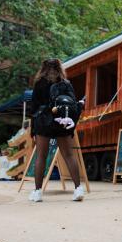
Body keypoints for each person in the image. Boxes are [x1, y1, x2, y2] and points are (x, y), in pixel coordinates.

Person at [29, 58, 84, 202]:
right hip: (63, 122)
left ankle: (37, 192)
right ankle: (78, 189)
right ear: (60, 68)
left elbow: (33, 107)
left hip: (44, 122)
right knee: (69, 155)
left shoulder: (40, 83)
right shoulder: (66, 84)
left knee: (41, 156)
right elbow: (74, 104)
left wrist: (33, 128)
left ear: (43, 69)